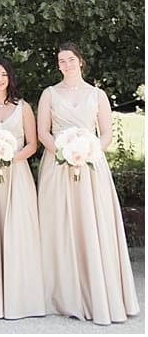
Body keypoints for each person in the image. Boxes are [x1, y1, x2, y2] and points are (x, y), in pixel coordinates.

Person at [36, 42, 139, 325]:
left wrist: (88, 150)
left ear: (80, 62)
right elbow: (43, 131)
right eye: (61, 60)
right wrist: (63, 151)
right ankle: (62, 295)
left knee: (92, 222)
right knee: (59, 223)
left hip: (91, 165)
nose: (66, 64)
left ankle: (97, 290)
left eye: (70, 59)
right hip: (57, 165)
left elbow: (105, 133)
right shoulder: (49, 94)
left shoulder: (97, 95)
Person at [0, 57, 45, 319]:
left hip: (17, 173)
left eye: (4, 74)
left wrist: (10, 157)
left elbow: (33, 145)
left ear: (9, 78)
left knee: (18, 229)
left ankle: (19, 297)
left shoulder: (23, 107)